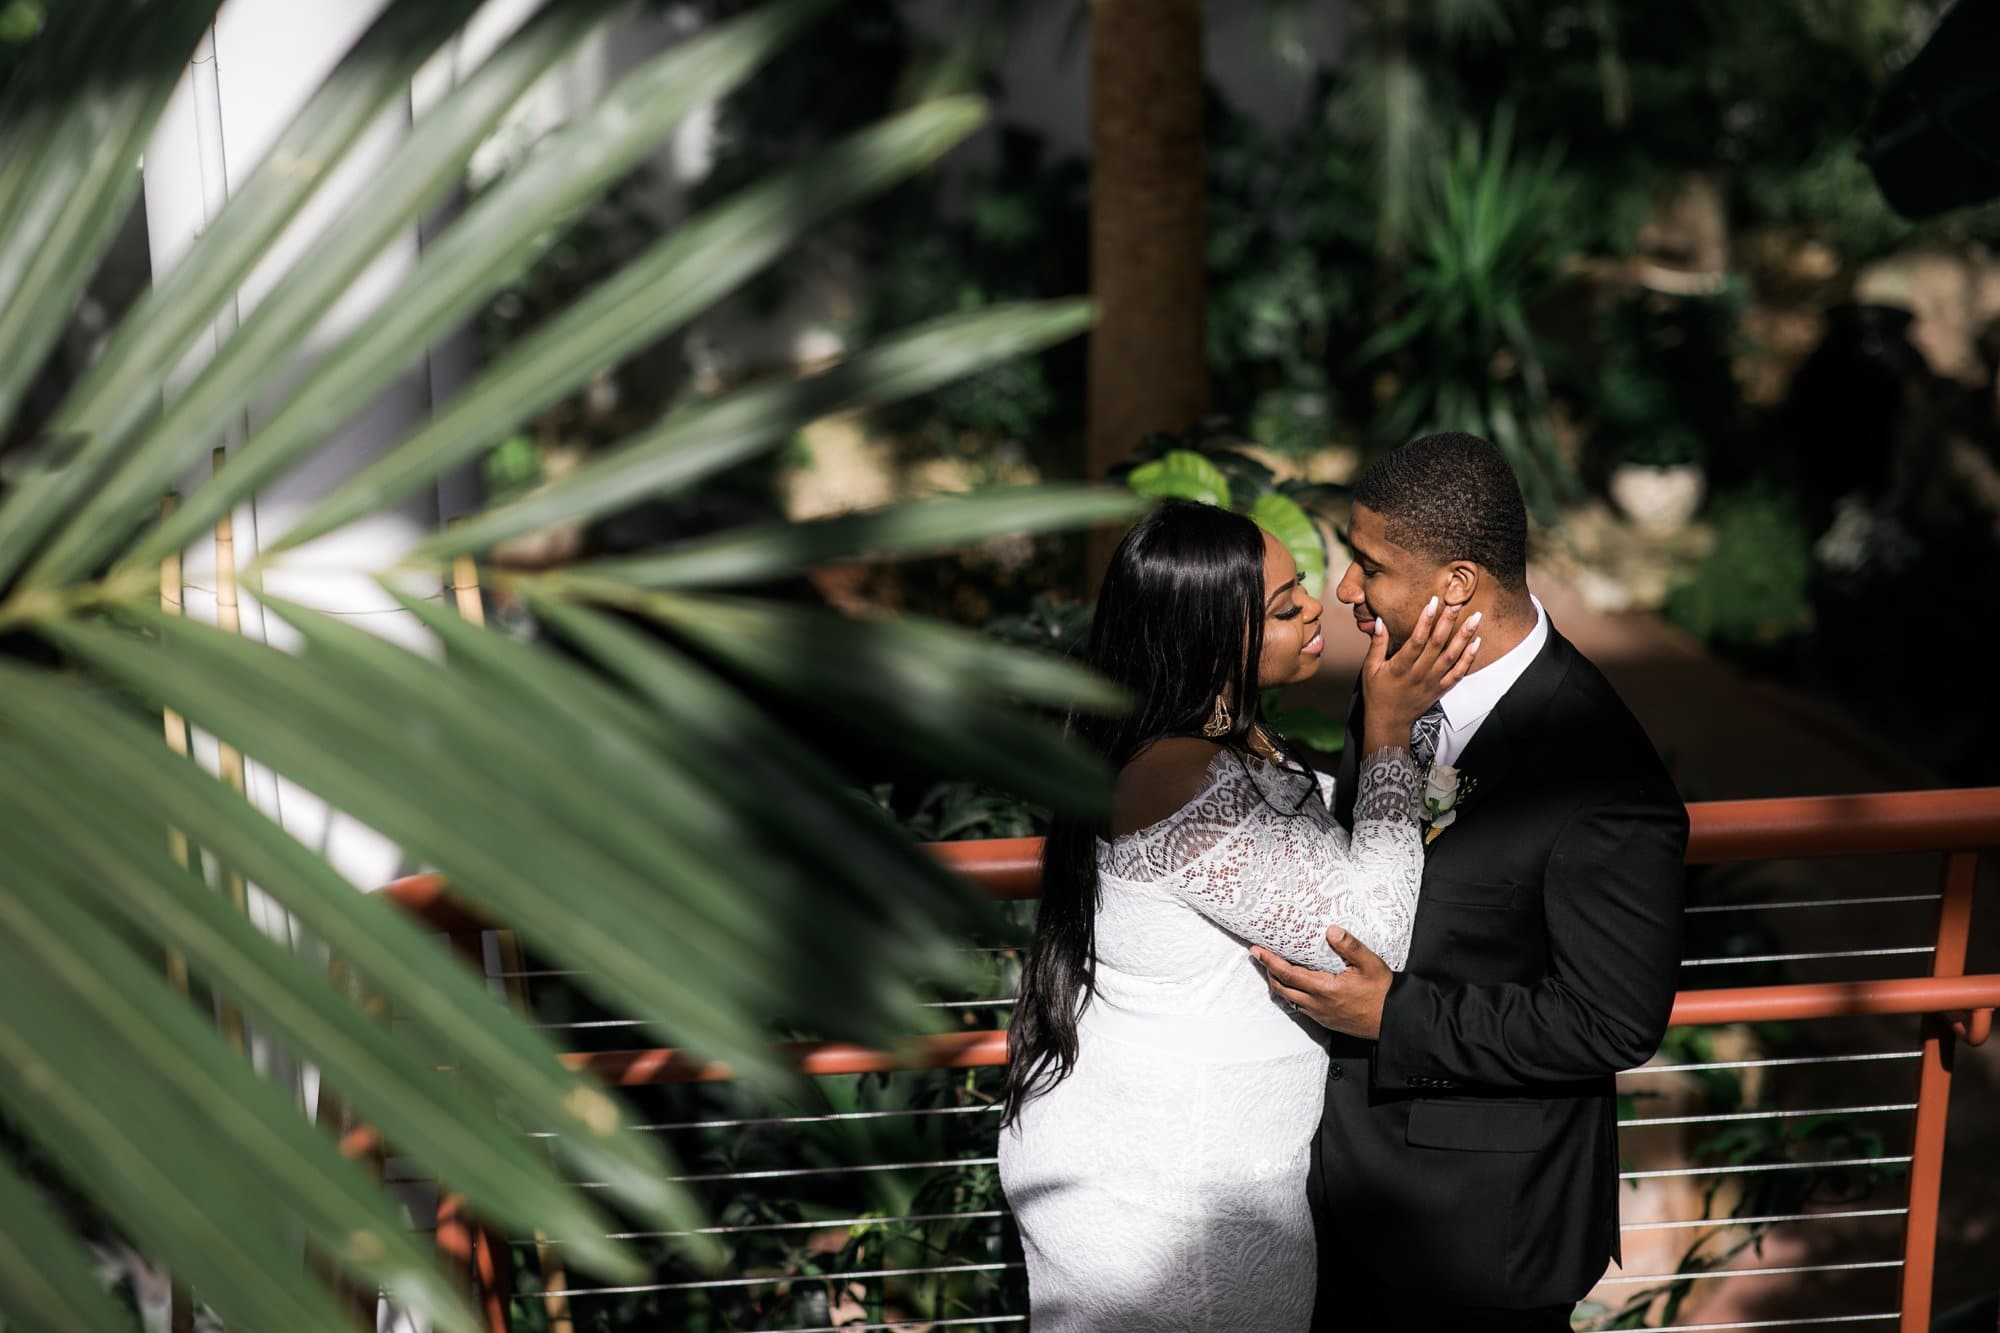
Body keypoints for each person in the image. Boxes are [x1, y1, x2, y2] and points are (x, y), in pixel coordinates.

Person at [997, 499, 1480, 1332]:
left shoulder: (1214, 745)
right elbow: (1368, 943)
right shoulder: (1177, 778)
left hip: (1200, 1172)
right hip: (1167, 1200)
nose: (1315, 612)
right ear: (1213, 635)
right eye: (1286, 606)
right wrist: (1392, 733)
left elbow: (1320, 846)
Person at [1251, 432, 1690, 1332]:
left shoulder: (1600, 771)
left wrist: (1394, 1016)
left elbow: (1615, 1019)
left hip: (1477, 1237)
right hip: (1346, 1207)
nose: (1344, 591)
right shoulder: (1392, 691)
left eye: (1369, 567)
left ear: (1456, 584)